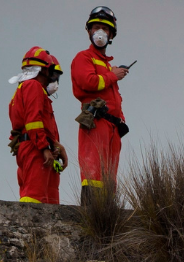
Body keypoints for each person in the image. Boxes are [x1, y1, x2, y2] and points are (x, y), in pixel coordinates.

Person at [72, 6, 129, 202]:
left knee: (109, 178)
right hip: (96, 122)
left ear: (111, 34)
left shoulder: (105, 65)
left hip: (112, 127)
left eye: (105, 29)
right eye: (96, 27)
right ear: (89, 31)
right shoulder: (84, 58)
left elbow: (113, 98)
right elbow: (87, 82)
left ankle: (106, 219)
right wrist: (113, 75)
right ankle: (91, 218)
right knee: (93, 171)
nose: (100, 33)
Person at [8, 47, 67, 204]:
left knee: (48, 199)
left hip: (38, 145)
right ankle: (30, 229)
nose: (52, 79)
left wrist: (55, 146)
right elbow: (33, 122)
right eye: (51, 73)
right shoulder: (33, 87)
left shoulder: (28, 89)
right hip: (35, 148)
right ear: (43, 70)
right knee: (34, 197)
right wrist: (44, 148)